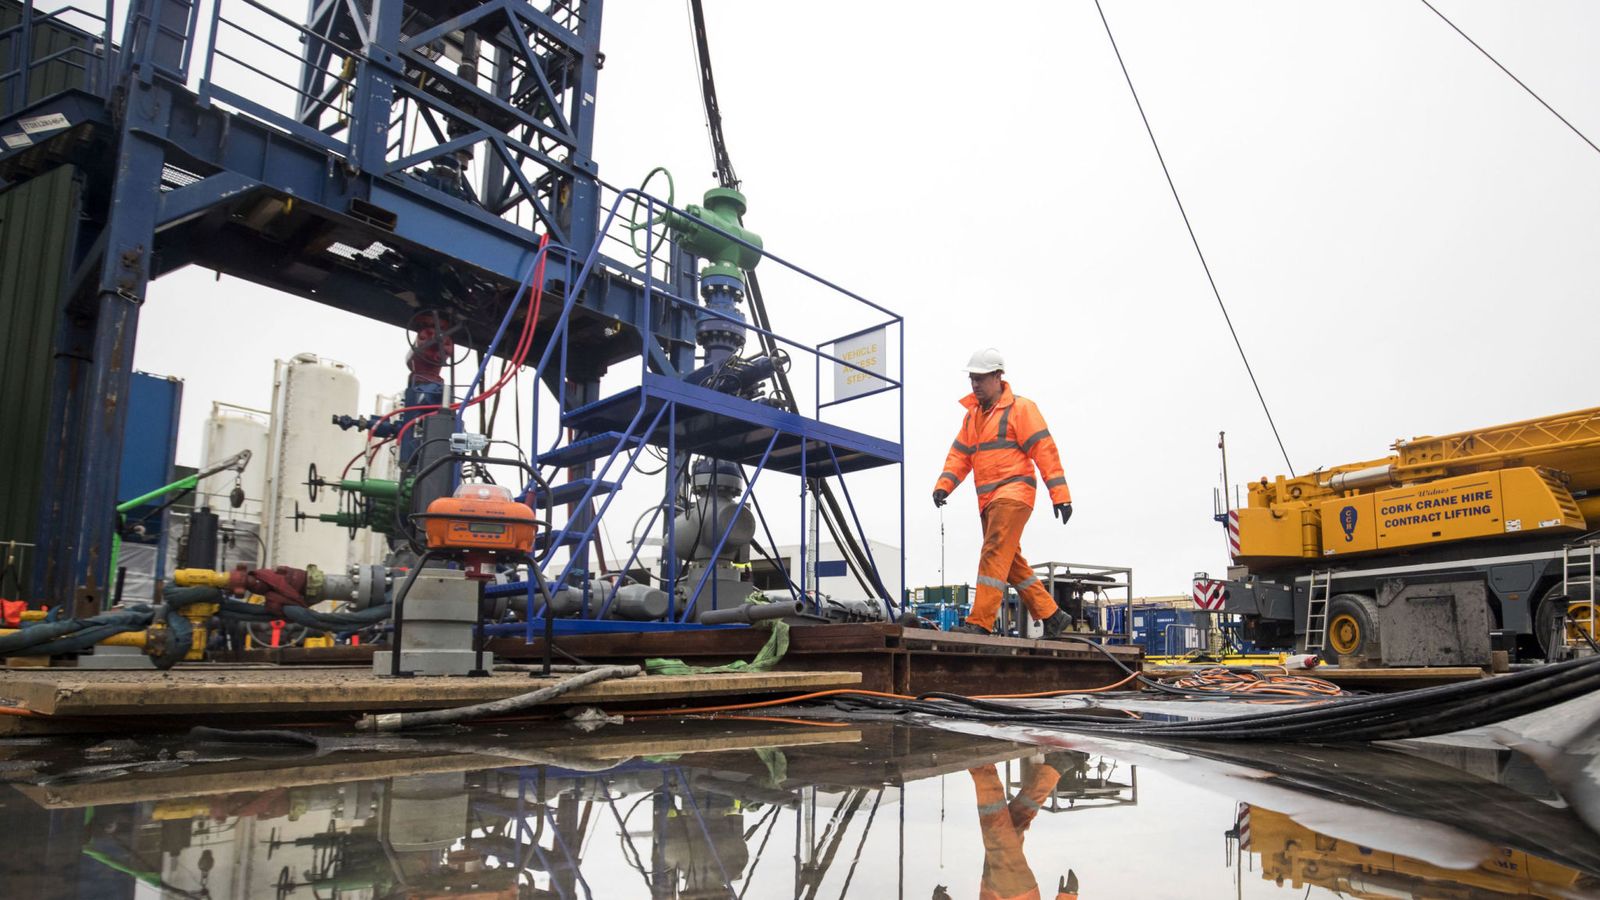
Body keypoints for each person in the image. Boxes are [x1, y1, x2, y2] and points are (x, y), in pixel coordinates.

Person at [933, 348, 1073, 637]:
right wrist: (943, 485)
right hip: (988, 500)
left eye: (980, 378)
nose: (974, 384)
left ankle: (981, 622)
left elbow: (1044, 449)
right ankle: (1052, 615)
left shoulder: (1021, 409)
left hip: (1015, 492)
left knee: (994, 550)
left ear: (998, 377)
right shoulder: (972, 418)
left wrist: (1060, 494)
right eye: (972, 378)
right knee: (1007, 561)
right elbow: (959, 455)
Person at [966, 760, 1081, 900]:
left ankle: (1053, 768)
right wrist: (1068, 896)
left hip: (992, 889)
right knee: (997, 831)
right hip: (1015, 893)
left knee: (1014, 823)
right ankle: (981, 765)